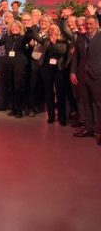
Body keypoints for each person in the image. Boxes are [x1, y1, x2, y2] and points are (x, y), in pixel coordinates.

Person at [70, 15, 101, 145]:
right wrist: (72, 72)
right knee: (85, 103)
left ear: (97, 25)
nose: (88, 26)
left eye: (91, 23)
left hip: (97, 76)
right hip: (82, 76)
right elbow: (75, 57)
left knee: (99, 105)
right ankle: (89, 129)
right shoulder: (81, 38)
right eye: (86, 24)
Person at [0, 20, 30, 118]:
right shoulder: (7, 37)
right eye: (12, 27)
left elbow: (28, 38)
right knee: (10, 86)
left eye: (16, 27)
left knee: (18, 87)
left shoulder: (23, 37)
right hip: (8, 64)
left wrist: (29, 28)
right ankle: (13, 109)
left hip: (19, 64)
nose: (14, 28)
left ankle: (19, 110)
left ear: (20, 28)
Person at [34, 24, 68, 125]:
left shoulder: (63, 40)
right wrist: (32, 26)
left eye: (54, 29)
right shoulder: (46, 40)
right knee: (49, 93)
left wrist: (54, 43)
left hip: (59, 69)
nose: (52, 31)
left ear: (58, 30)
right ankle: (51, 116)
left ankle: (62, 117)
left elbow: (61, 51)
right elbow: (35, 37)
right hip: (47, 68)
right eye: (50, 29)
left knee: (60, 93)